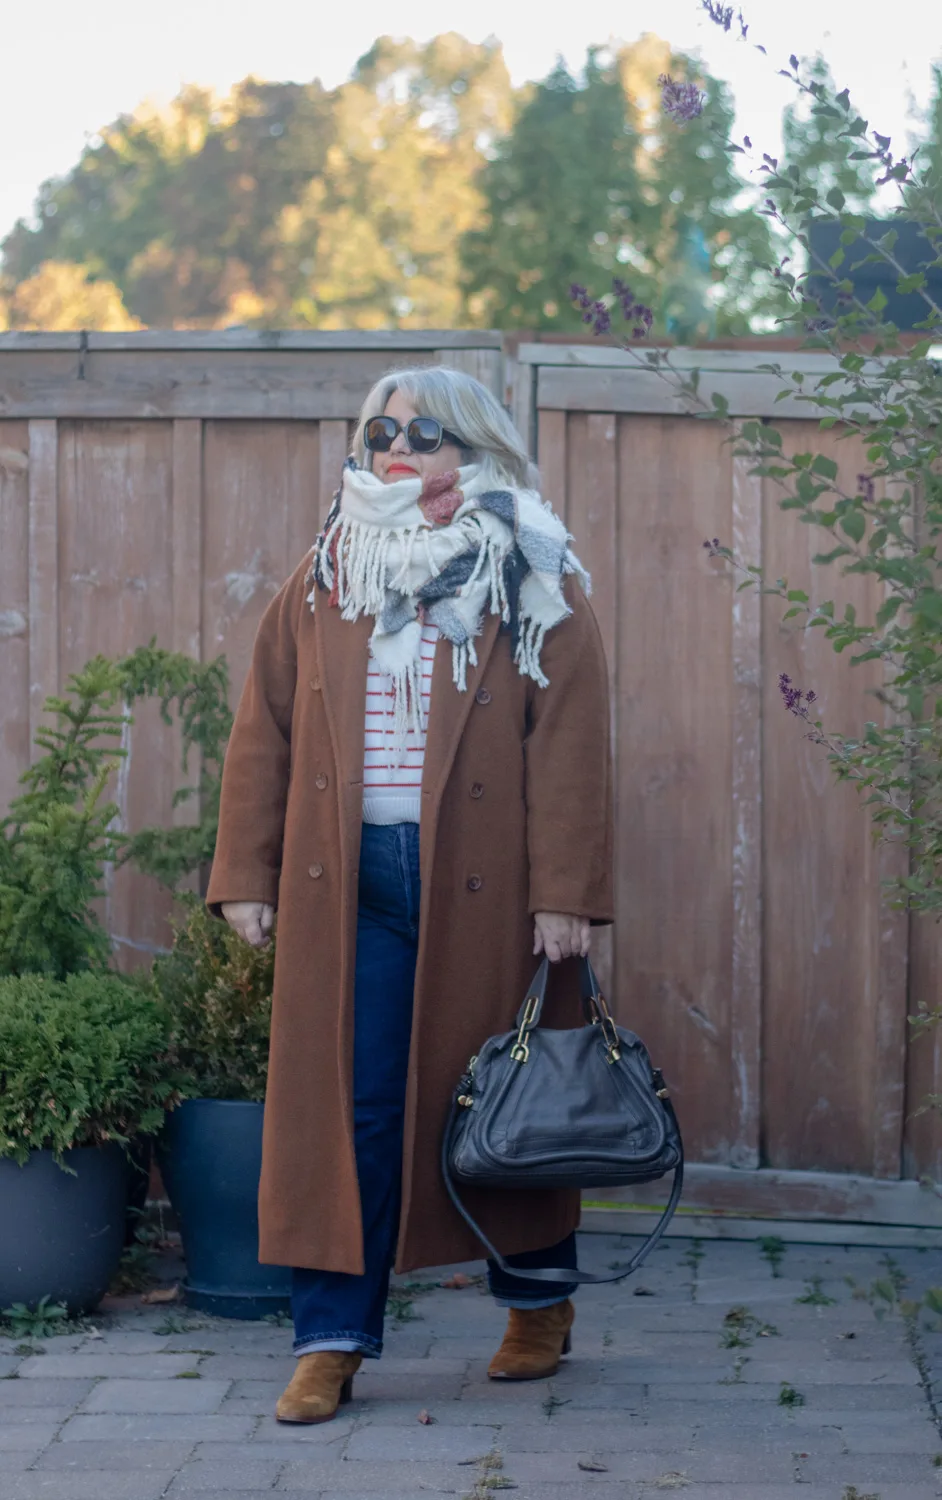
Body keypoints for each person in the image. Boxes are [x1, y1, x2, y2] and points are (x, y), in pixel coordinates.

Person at [207, 364, 614, 1424]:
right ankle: (332, 1339)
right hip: (348, 884)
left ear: (471, 446)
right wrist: (245, 875)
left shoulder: (532, 567)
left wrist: (566, 892)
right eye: (379, 429)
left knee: (507, 1100)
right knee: (354, 1111)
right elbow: (266, 733)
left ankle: (536, 1304)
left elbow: (569, 748)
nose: (396, 444)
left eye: (421, 430)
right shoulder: (328, 569)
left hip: (488, 886)